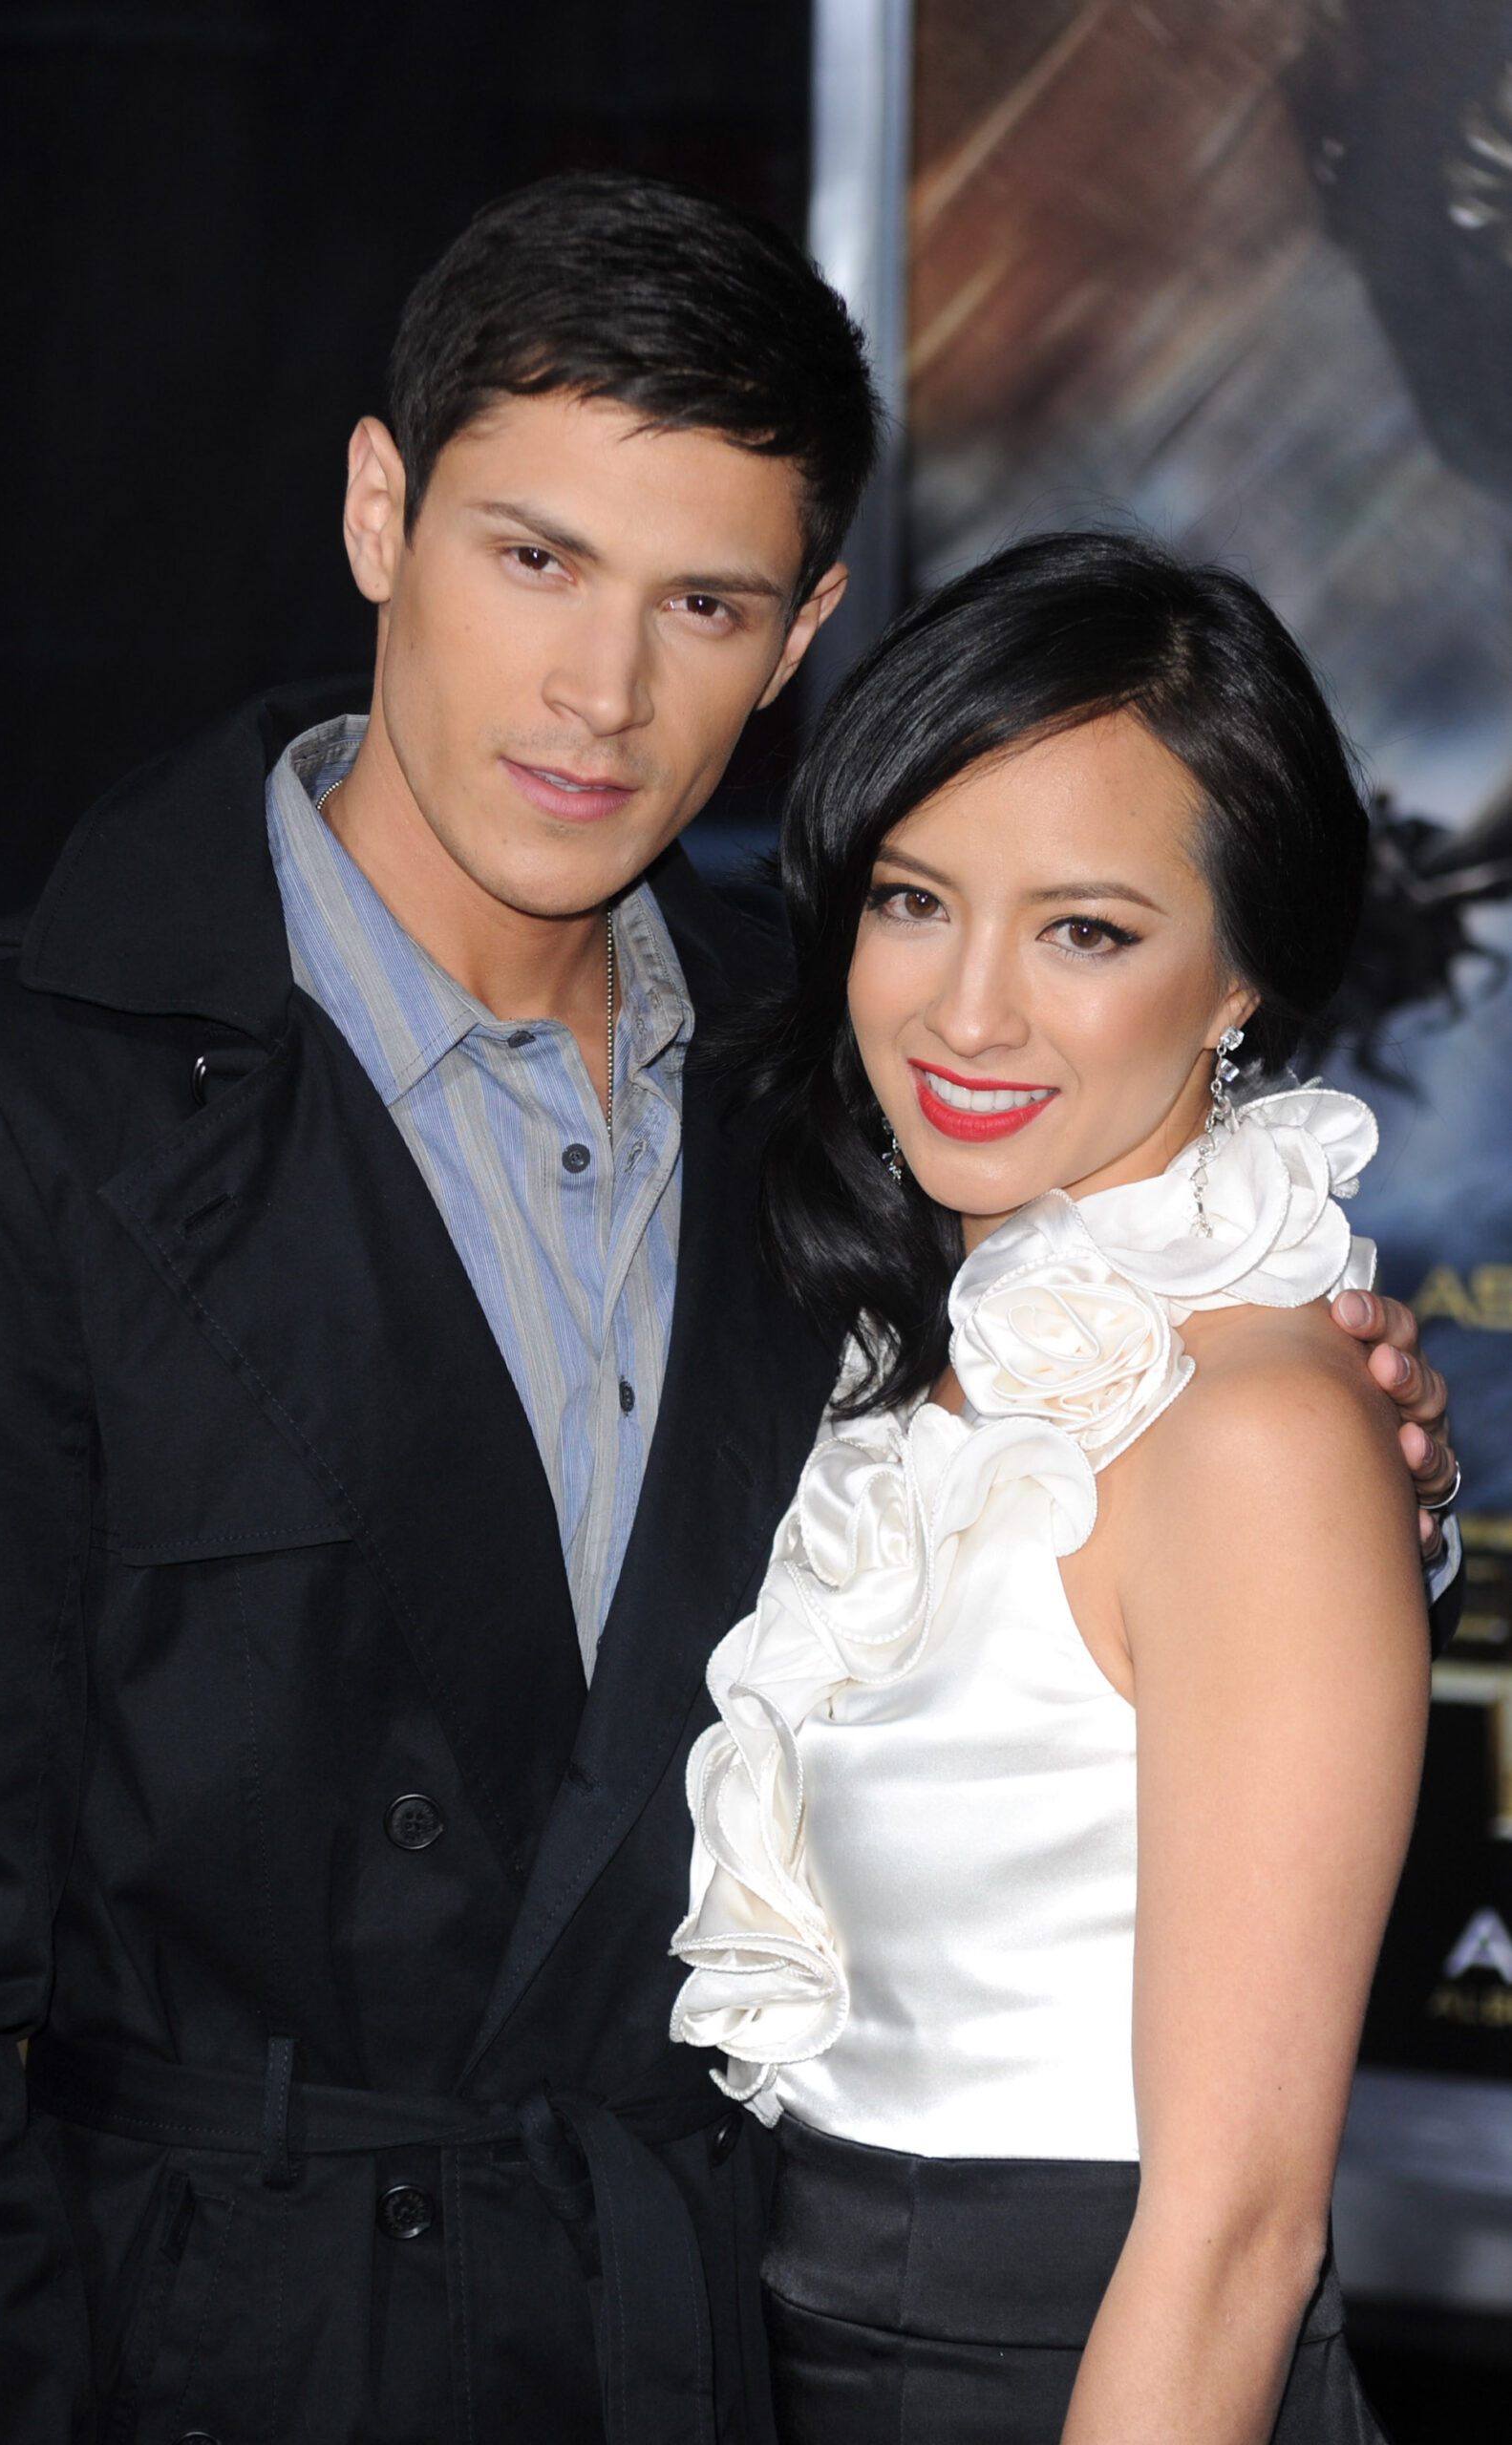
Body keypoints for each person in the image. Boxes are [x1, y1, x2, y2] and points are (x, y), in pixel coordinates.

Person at [0, 178, 1452, 2443]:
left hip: (701, 2339)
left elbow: (1088, 1591)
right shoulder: (18, 1106)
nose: (601, 690)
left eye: (705, 599)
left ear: (807, 625)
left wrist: (1343, 1479)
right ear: (377, 510)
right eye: (532, 557)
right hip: (214, 2352)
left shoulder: (845, 1092)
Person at [671, 533, 1445, 2444]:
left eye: (1086, 928)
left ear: (1242, 972)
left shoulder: (1262, 1425)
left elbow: (1236, 2235)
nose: (967, 1010)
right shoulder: (922, 1343)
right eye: (917, 901)